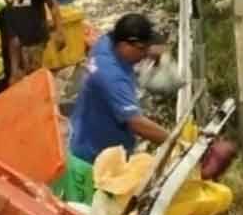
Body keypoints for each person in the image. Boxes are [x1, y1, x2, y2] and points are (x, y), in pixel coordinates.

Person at [69, 13, 171, 164]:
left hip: (85, 130)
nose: (144, 55)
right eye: (141, 49)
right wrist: (176, 141)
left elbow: (143, 47)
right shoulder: (113, 77)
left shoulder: (106, 43)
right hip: (97, 155)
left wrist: (150, 51)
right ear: (125, 45)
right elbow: (136, 123)